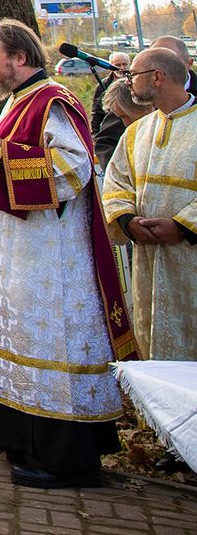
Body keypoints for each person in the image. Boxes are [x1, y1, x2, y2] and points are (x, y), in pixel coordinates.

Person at [0, 18, 134, 488]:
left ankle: (64, 459)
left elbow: (73, 167)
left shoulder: (53, 100)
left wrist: (1, 150)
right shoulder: (21, 100)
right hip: (21, 254)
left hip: (50, 257)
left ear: (19, 58)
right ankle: (22, 440)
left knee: (51, 344)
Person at [101, 47, 197, 360]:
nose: (127, 82)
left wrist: (183, 226)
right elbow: (115, 182)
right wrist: (127, 220)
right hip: (148, 261)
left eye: (133, 75)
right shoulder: (137, 132)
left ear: (157, 77)